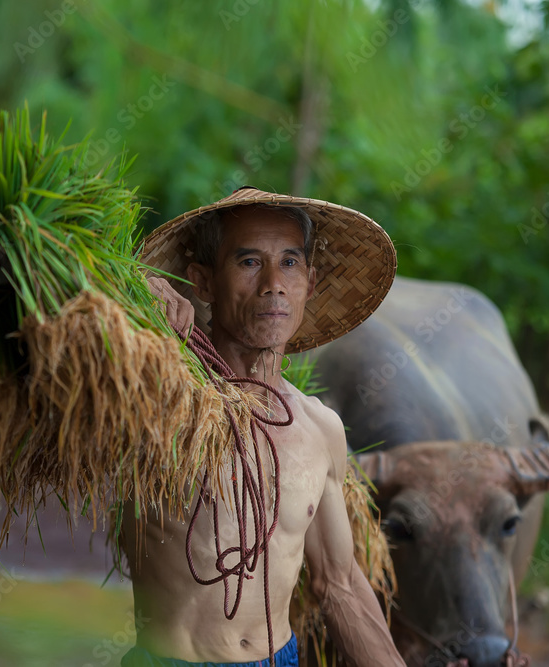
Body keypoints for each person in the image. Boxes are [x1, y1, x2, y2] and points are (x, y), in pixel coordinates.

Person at [119, 186, 406, 667]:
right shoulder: (155, 395)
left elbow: (339, 585)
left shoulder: (320, 427)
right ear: (202, 282)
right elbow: (48, 343)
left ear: (309, 283)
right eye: (249, 262)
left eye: (290, 263)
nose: (274, 283)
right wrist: (128, 301)